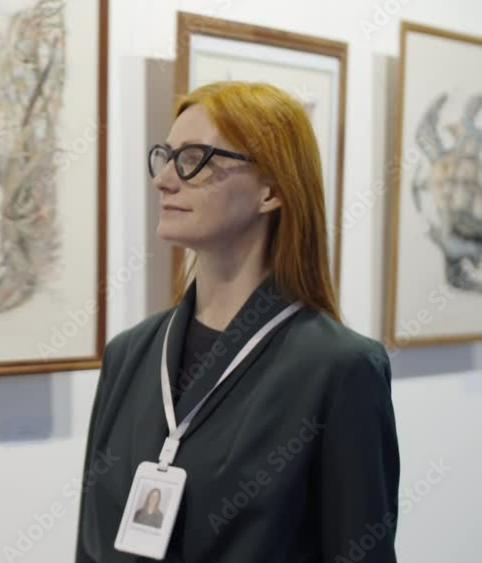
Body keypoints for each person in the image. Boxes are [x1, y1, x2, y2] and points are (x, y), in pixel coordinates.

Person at [74, 81, 400, 562]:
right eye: (166, 156)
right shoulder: (128, 354)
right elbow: (89, 547)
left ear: (270, 190)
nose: (164, 178)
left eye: (194, 158)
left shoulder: (340, 369)